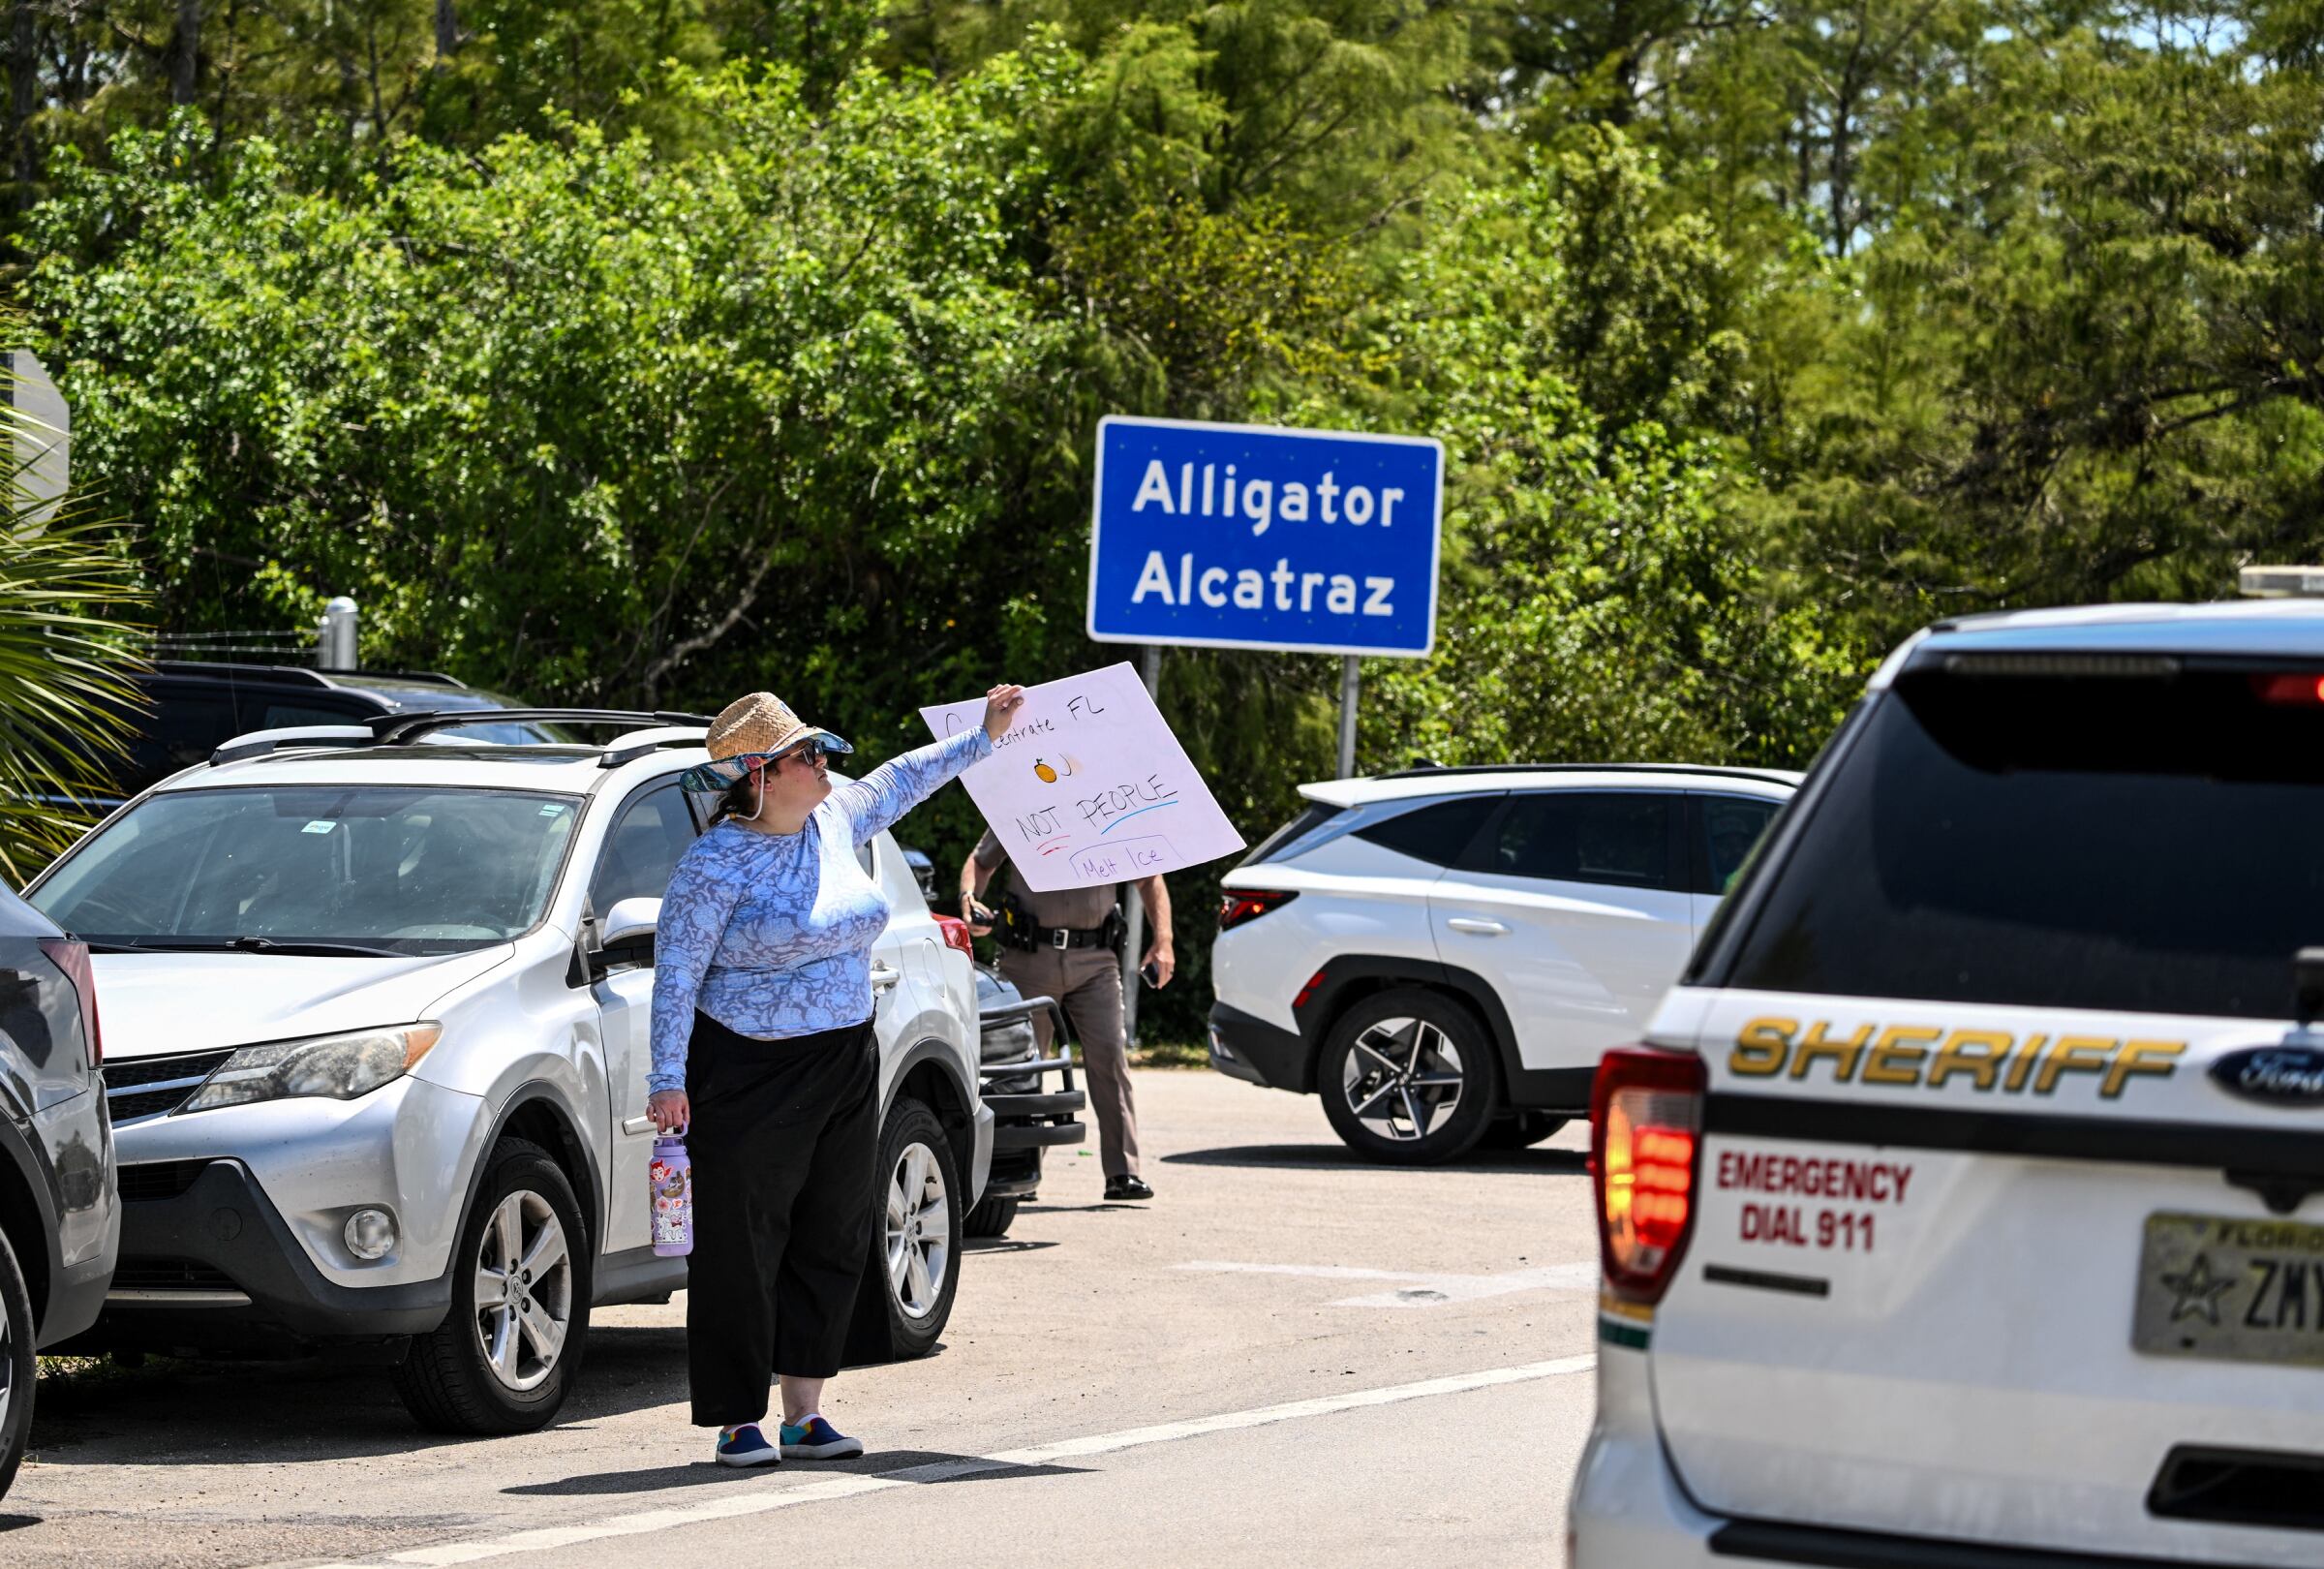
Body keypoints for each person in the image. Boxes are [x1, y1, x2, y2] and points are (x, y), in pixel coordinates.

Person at [647, 683, 1024, 1468]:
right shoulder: (714, 865)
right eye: (805, 755)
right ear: (758, 776)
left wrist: (982, 736)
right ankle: (736, 1420)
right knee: (739, 1247)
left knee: (833, 1232)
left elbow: (897, 780)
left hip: (846, 1057)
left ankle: (806, 1413)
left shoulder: (834, 817)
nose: (824, 763)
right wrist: (666, 1077)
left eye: (820, 751)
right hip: (745, 1066)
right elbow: (675, 976)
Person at [960, 837, 1170, 1203]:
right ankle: (1022, 1169)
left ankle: (1124, 1173)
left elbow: (1149, 876)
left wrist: (1163, 940)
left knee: (1110, 1057)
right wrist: (969, 899)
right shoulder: (1021, 807)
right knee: (1024, 1067)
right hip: (1030, 957)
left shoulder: (1109, 808)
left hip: (1096, 960)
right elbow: (980, 862)